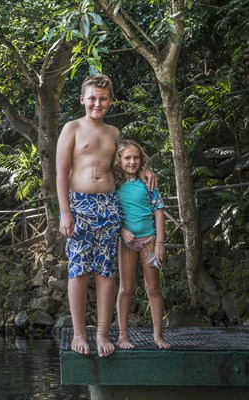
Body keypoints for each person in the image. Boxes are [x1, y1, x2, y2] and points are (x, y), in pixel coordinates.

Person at [56, 73, 155, 357]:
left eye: (102, 99)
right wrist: (65, 212)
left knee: (105, 271)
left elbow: (126, 164)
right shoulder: (72, 128)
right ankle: (78, 333)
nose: (97, 104)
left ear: (110, 101)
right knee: (79, 269)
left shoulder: (113, 132)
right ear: (82, 100)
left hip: (109, 206)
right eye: (92, 99)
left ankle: (102, 334)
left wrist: (146, 170)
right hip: (80, 206)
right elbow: (61, 172)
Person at [112, 139, 171, 350]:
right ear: (118, 160)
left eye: (136, 157)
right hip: (126, 243)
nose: (132, 162)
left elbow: (158, 211)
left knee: (153, 287)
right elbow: (110, 212)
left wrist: (160, 243)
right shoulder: (112, 184)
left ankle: (158, 336)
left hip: (149, 241)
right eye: (127, 158)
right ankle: (122, 336)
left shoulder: (148, 182)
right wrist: (121, 229)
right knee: (126, 288)